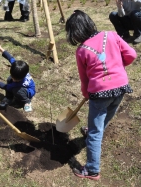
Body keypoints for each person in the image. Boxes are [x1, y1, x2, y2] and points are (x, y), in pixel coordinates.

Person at [65, 10, 137, 180]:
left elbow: (85, 78)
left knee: (95, 134)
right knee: (108, 114)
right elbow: (132, 54)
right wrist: (119, 66)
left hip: (99, 93)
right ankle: (96, 128)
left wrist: (86, 93)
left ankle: (92, 170)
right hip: (121, 87)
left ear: (76, 32)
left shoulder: (82, 50)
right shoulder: (110, 35)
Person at [0, 44, 35, 112]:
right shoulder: (17, 67)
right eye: (12, 76)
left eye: (15, 79)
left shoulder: (19, 83)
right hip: (21, 86)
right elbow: (10, 58)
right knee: (9, 79)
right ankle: (9, 97)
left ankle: (27, 102)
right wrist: (1, 49)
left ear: (21, 78)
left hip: (28, 91)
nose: (13, 79)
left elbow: (7, 87)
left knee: (17, 90)